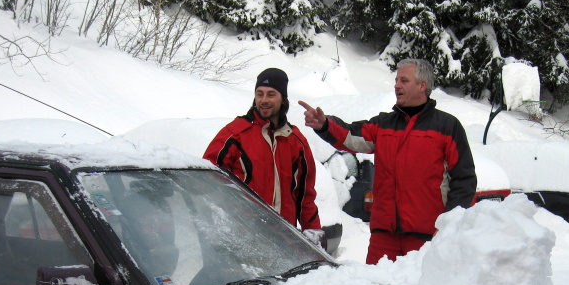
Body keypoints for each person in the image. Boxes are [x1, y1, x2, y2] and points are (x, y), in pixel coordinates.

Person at [300, 58, 477, 264]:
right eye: (396, 80)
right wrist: (324, 125)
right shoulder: (384, 124)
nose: (396, 85)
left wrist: (449, 227)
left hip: (427, 238)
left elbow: (464, 181)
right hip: (383, 238)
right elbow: (351, 136)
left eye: (404, 80)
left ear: (422, 86)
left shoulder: (447, 126)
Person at [204, 67, 322, 234]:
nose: (264, 100)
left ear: (283, 99)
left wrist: (314, 233)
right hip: (243, 236)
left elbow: (305, 197)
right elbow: (206, 183)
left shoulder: (296, 142)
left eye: (271, 94)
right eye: (260, 94)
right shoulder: (235, 135)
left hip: (285, 238)